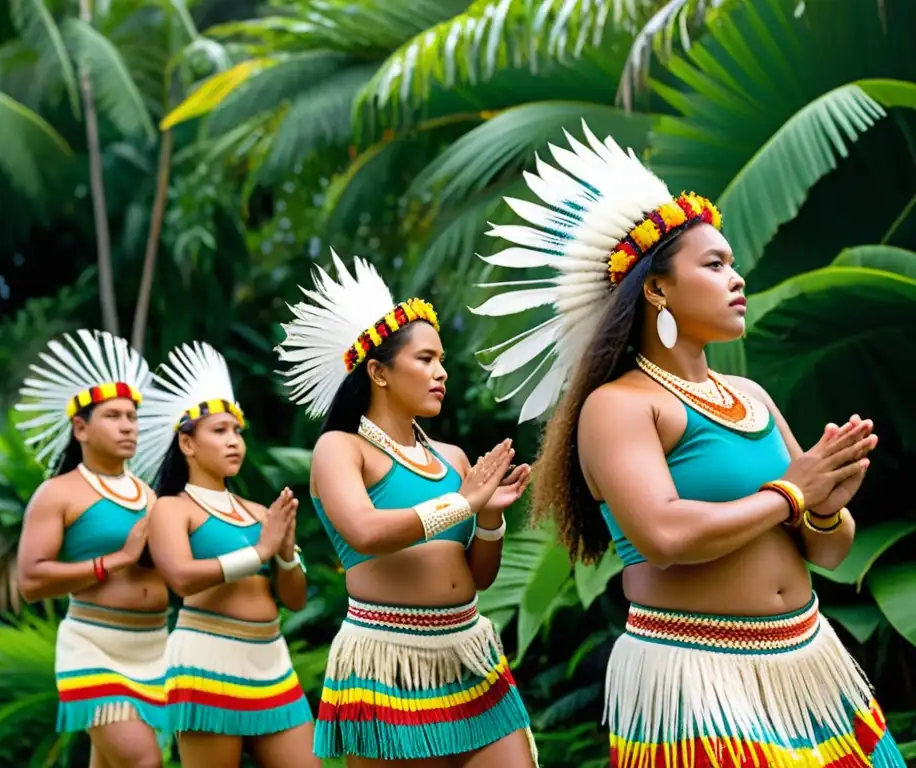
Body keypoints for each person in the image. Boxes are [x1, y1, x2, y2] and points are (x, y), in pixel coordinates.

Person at [469, 120, 905, 767]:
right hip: (700, 679)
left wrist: (822, 505)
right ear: (656, 288)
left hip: (809, 666)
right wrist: (792, 492)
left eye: (732, 264)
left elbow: (832, 554)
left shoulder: (750, 395)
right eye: (715, 264)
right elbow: (665, 536)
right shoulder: (617, 407)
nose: (737, 278)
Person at [275, 250, 539, 767]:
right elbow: (366, 533)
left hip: (469, 653)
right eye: (425, 359)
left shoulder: (453, 458)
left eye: (440, 359)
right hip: (389, 661)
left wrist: (488, 519)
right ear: (378, 371)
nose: (441, 372)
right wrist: (462, 502)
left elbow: (479, 577)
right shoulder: (340, 449)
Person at [136, 341, 317, 768]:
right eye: (219, 431)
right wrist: (261, 551)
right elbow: (180, 578)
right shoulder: (172, 508)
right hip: (206, 659)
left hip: (271, 660)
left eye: (237, 431)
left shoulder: (260, 513)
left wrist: (286, 554)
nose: (234, 441)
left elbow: (294, 599)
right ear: (187, 443)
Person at [15, 329, 169, 768]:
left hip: (155, 647)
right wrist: (117, 561)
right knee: (145, 761)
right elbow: (30, 581)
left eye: (133, 417)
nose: (128, 426)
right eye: (114, 416)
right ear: (80, 428)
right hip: (93, 647)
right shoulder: (58, 494)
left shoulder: (151, 495)